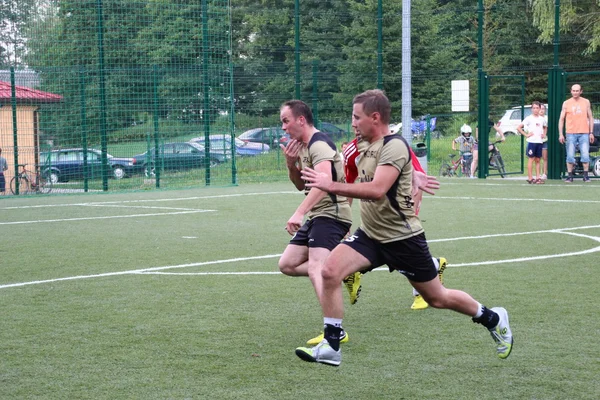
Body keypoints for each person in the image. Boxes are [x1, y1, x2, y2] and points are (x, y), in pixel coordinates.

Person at [296, 89, 513, 366]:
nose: (352, 123)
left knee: (437, 297)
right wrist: (415, 175)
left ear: (375, 117)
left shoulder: (394, 145)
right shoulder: (362, 145)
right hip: (371, 236)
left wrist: (329, 185)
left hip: (402, 238)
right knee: (328, 271)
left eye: (356, 117)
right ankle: (332, 345)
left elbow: (376, 190)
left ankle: (493, 318)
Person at [277, 100, 362, 347]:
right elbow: (302, 185)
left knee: (316, 267)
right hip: (319, 215)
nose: (283, 128)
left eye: (286, 121)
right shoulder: (303, 147)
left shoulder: (319, 144)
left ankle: (335, 330)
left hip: (332, 213)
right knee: (287, 264)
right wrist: (290, 163)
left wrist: (298, 212)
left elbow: (323, 182)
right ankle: (342, 272)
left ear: (300, 120)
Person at [343, 126, 446, 311]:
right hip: (375, 217)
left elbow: (416, 177)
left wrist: (411, 209)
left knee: (404, 246)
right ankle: (434, 264)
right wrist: (344, 220)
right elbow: (349, 185)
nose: (356, 125)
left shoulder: (395, 145)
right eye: (354, 118)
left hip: (403, 206)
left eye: (360, 118)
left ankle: (421, 292)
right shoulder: (352, 151)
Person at [558, 84, 595, 183]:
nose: (575, 92)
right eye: (573, 90)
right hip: (570, 133)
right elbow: (561, 119)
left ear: (581, 91)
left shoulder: (586, 102)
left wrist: (591, 132)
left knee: (585, 155)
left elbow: (590, 118)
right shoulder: (566, 103)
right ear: (571, 91)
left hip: (584, 133)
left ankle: (586, 176)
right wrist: (561, 134)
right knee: (570, 155)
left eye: (577, 90)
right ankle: (570, 176)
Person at [518, 101, 547, 184]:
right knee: (531, 159)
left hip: (539, 142)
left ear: (540, 109)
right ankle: (530, 178)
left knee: (538, 159)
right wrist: (526, 135)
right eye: (534, 108)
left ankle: (538, 178)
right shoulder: (528, 118)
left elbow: (545, 127)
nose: (535, 110)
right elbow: (519, 127)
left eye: (537, 108)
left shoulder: (542, 119)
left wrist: (544, 134)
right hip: (532, 142)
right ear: (531, 109)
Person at [539, 104, 549, 180]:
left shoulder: (547, 118)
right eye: (540, 108)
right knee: (536, 158)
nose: (541, 110)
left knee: (545, 157)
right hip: (535, 140)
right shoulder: (534, 118)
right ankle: (537, 174)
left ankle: (544, 173)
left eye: (543, 109)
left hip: (544, 140)